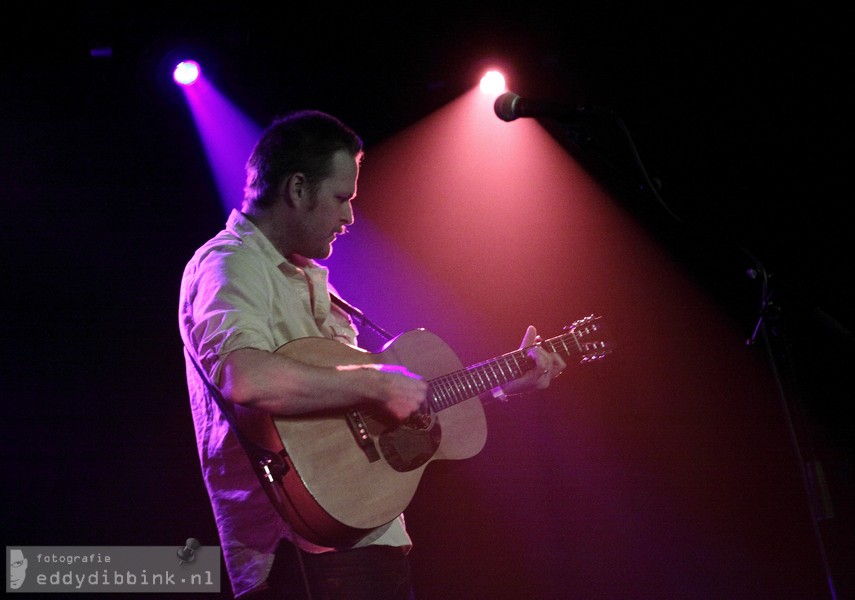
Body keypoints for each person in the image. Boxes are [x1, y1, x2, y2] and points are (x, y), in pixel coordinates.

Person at [178, 109, 566, 599]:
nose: (349, 217)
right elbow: (245, 377)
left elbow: (377, 411)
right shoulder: (230, 264)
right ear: (297, 189)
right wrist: (375, 382)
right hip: (301, 557)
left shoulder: (303, 277)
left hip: (361, 536)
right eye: (341, 198)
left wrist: (499, 384)